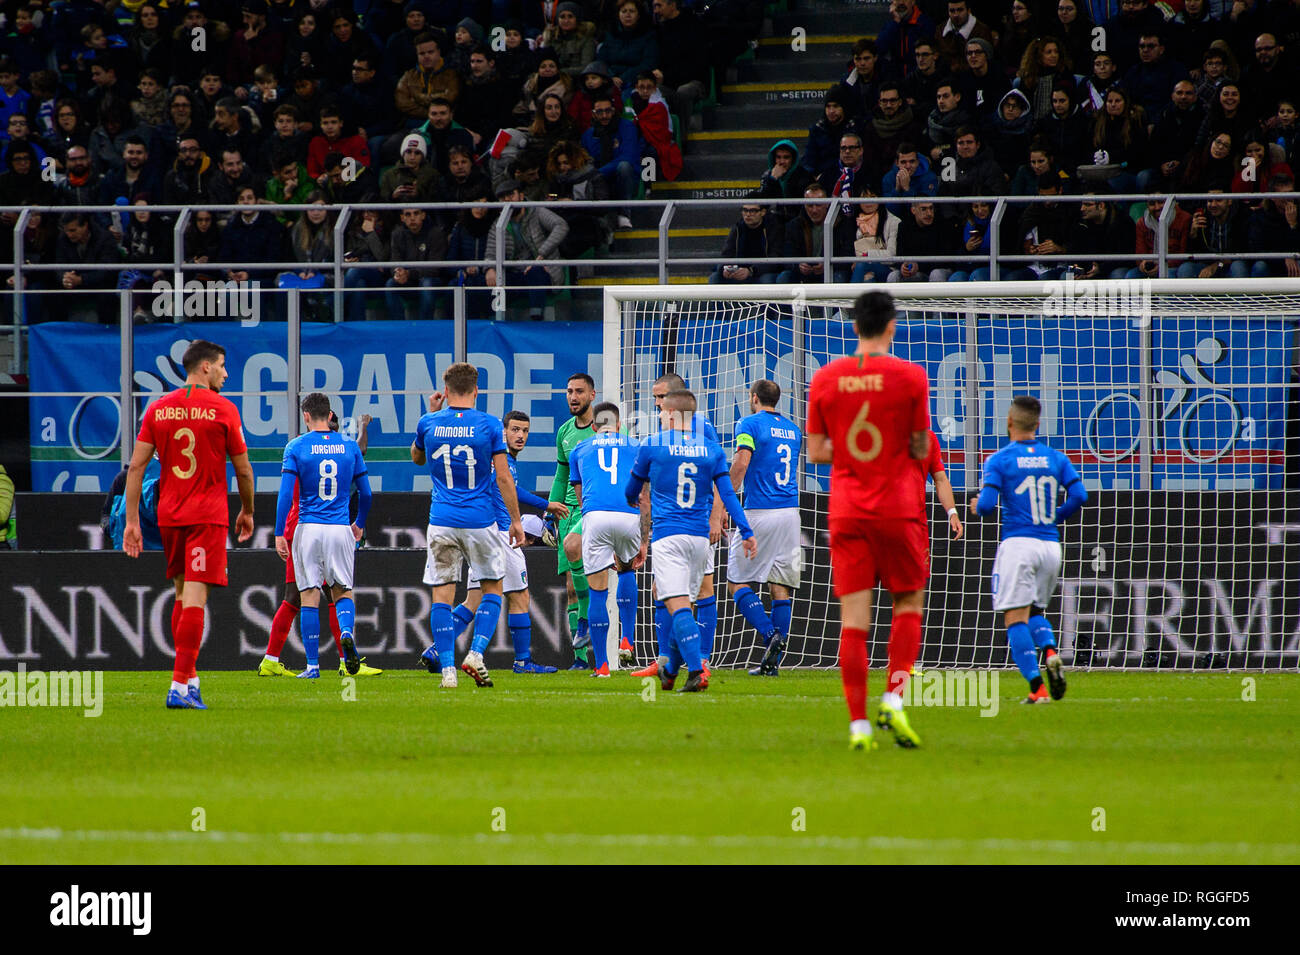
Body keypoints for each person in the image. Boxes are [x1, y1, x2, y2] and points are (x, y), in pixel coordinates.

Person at [806, 290, 930, 751]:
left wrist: (857, 453)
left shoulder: (826, 377)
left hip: (847, 510)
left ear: (854, 326)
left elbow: (817, 451)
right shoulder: (911, 377)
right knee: (907, 604)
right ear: (892, 325)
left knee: (854, 620)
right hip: (898, 509)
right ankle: (894, 701)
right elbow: (921, 447)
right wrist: (888, 451)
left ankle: (858, 726)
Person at [123, 340, 255, 709]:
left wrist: (132, 520)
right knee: (196, 595)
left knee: (182, 593)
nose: (227, 373)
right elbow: (243, 469)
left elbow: (135, 467)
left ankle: (191, 679)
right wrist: (247, 509)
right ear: (205, 367)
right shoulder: (223, 409)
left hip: (169, 514)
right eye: (223, 365)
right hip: (206, 515)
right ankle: (179, 686)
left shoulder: (158, 408)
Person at [624, 388, 754, 693]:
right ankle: (670, 671)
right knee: (684, 606)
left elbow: (632, 489)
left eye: (660, 411)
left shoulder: (652, 445)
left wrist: (633, 498)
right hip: (700, 541)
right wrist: (746, 531)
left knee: (677, 604)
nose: (658, 415)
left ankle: (696, 671)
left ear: (670, 413)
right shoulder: (712, 450)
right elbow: (728, 495)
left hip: (669, 537)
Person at [968, 394, 1087, 704]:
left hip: (1018, 544)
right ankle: (1049, 651)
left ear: (1009, 422)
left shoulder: (1000, 459)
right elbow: (1079, 495)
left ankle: (1037, 688)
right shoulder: (1056, 457)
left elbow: (986, 505)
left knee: (1015, 618)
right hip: (1050, 545)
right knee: (1035, 610)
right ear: (1037, 424)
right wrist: (1053, 517)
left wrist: (974, 506)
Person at [413, 363, 525, 688]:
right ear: (477, 391)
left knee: (442, 596)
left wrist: (431, 413)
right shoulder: (490, 425)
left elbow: (416, 458)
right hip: (480, 520)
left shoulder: (428, 422)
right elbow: (503, 476)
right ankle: (475, 654)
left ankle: (447, 671)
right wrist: (516, 520)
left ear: (445, 391)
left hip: (442, 520)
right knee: (492, 588)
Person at [447, 410, 568, 675]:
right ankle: (522, 662)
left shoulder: (504, 461)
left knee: (473, 599)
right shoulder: (500, 461)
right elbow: (509, 487)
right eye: (514, 430)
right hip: (502, 534)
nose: (520, 435)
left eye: (525, 431)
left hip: (482, 534)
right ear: (504, 431)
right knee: (520, 595)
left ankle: (436, 650)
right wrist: (546, 504)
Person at [272, 394, 372, 680]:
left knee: (309, 596)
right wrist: (359, 524)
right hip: (340, 527)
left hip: (308, 528)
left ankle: (313, 666)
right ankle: (348, 633)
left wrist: (280, 532)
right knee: (342, 592)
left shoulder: (296, 447)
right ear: (330, 416)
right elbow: (366, 494)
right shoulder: (349, 446)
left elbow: (284, 496)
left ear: (306, 416)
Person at [631, 373, 724, 681]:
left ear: (676, 399)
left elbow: (717, 478)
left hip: (697, 521)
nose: (656, 404)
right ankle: (667, 662)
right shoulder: (663, 434)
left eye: (661, 398)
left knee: (702, 589)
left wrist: (715, 517)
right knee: (664, 590)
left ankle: (702, 660)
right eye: (655, 398)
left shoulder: (700, 428)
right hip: (671, 521)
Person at [724, 379, 803, 677]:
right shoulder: (794, 430)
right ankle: (773, 664)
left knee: (737, 581)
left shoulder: (749, 424)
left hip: (759, 512)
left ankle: (770, 634)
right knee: (779, 585)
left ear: (754, 398)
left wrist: (725, 497)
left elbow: (742, 463)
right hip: (789, 513)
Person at [568, 402, 644, 676]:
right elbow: (644, 492)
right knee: (626, 570)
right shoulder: (636, 445)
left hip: (596, 516)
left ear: (593, 426)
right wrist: (643, 538)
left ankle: (601, 666)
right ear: (619, 424)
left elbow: (580, 496)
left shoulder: (580, 449)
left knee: (598, 591)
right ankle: (628, 639)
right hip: (629, 513)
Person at [548, 373, 598, 668]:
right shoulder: (565, 432)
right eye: (569, 391)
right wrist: (548, 511)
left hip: (594, 509)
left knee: (600, 580)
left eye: (579, 391)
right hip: (567, 512)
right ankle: (580, 658)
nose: (573, 396)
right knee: (570, 587)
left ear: (593, 395)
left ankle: (613, 640)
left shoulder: (604, 429)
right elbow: (561, 475)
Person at [710, 196, 782, 284]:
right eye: (745, 210)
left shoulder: (772, 229)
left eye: (753, 211)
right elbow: (726, 255)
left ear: (763, 212)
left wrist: (750, 271)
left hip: (761, 272)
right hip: (738, 272)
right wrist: (725, 269)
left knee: (767, 280)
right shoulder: (737, 229)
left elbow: (775, 260)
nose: (748, 214)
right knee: (715, 277)